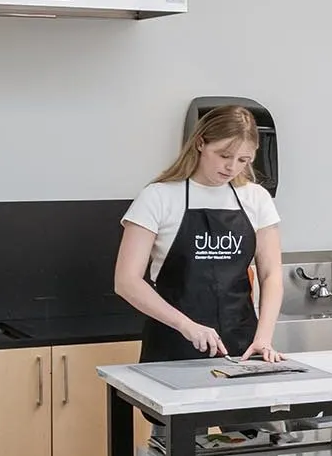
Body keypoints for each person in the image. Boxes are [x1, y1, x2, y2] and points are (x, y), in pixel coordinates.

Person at [115, 103, 286, 363]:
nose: (232, 167)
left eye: (243, 160)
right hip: (173, 345)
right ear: (200, 143)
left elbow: (271, 273)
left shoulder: (256, 199)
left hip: (242, 347)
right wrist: (186, 326)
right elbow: (126, 281)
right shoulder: (159, 197)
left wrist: (263, 338)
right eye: (224, 155)